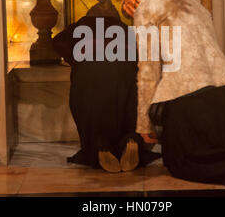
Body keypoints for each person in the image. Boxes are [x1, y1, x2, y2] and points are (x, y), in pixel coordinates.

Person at [122, 0, 225, 192]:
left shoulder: (146, 8)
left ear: (132, 5)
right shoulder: (192, 3)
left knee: (183, 165)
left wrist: (145, 126)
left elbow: (149, 71)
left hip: (189, 102)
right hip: (221, 98)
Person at [52, 11, 159, 173]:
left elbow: (57, 42)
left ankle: (100, 146)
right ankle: (130, 139)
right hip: (124, 69)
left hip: (89, 71)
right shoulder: (122, 27)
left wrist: (74, 60)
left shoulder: (80, 25)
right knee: (128, 108)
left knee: (88, 110)